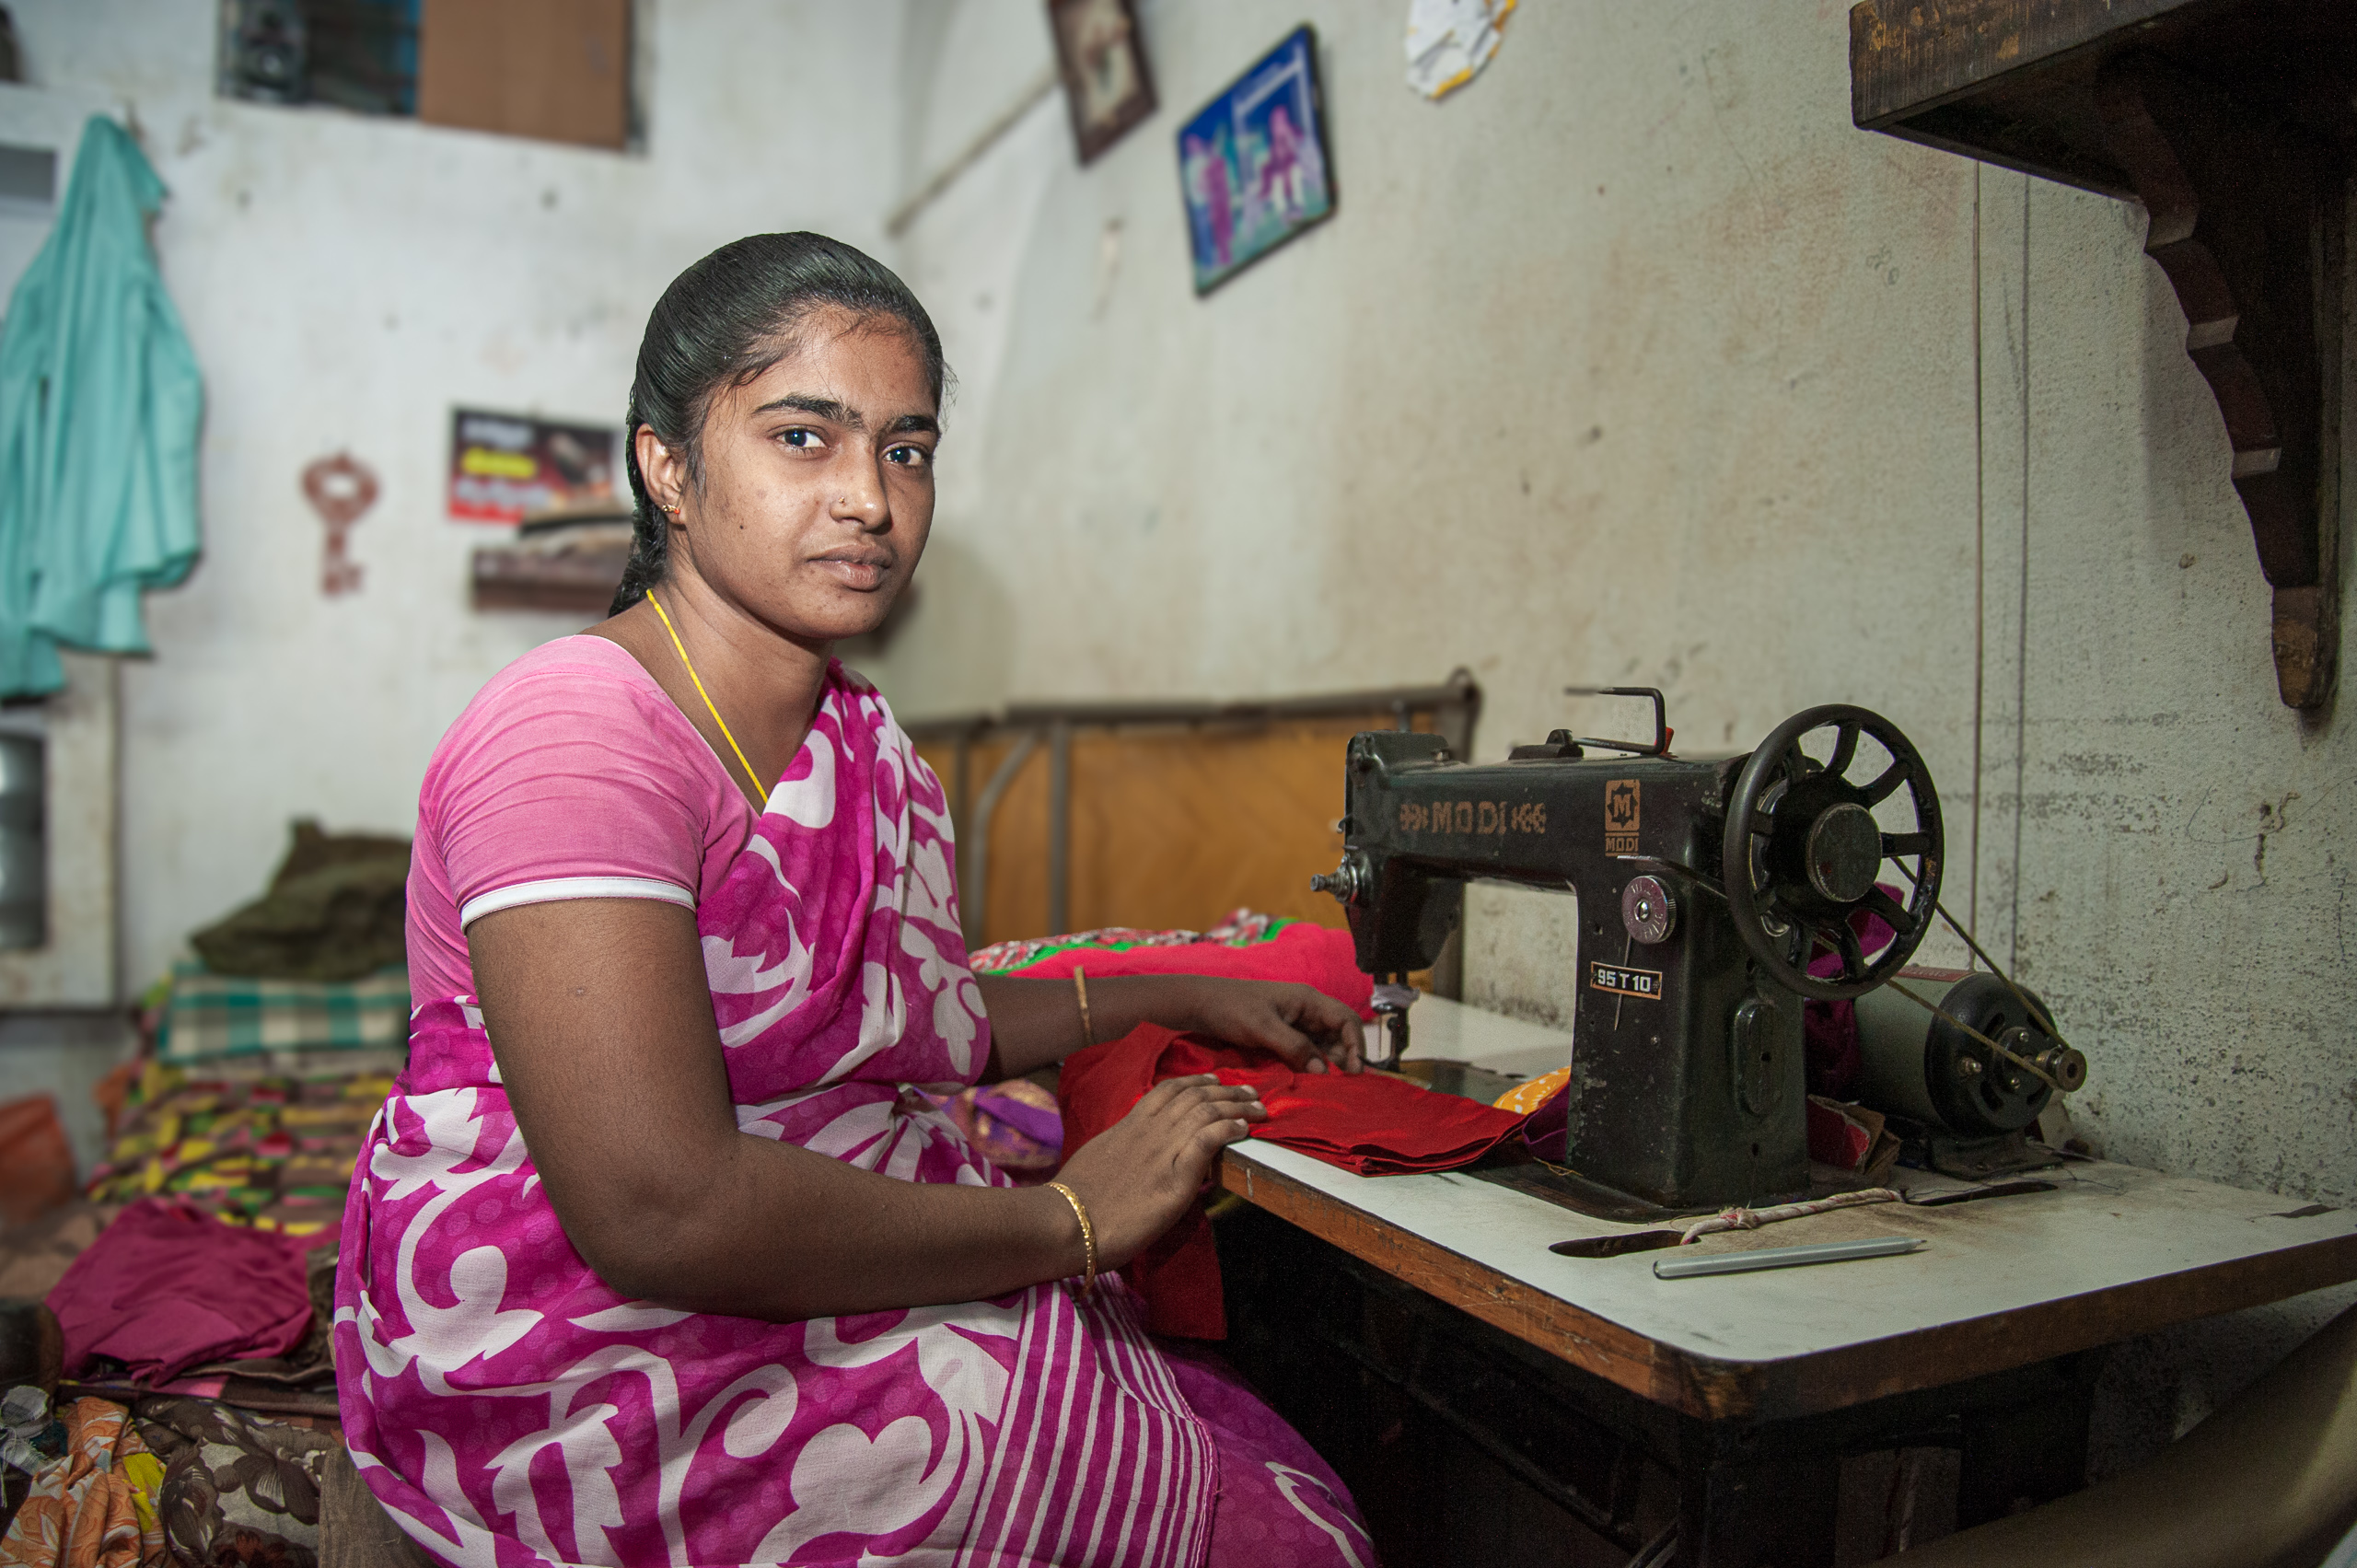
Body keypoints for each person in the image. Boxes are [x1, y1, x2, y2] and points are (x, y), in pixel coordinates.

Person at [334, 233, 1379, 1568]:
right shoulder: (577, 737)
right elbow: (656, 1211)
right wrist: (1068, 1220)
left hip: (787, 1230)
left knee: (1260, 1453)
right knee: (1265, 1537)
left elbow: (912, 1017)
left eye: (906, 449)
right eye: (803, 438)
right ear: (667, 464)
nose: (870, 501)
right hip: (583, 1331)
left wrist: (1187, 988)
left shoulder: (858, 740)